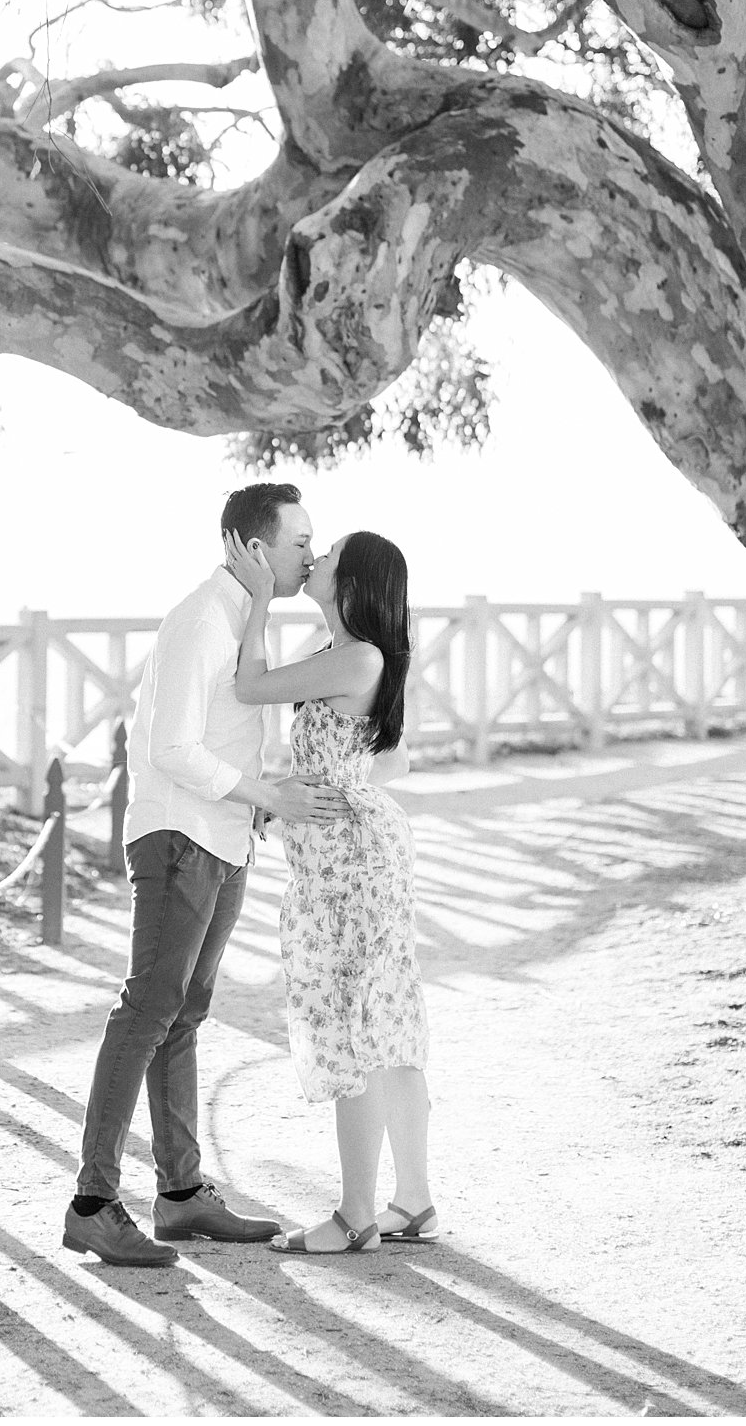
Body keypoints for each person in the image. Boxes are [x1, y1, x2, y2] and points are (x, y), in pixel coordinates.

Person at [64, 483, 351, 1267]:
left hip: (223, 838)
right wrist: (269, 796)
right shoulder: (199, 619)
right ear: (255, 549)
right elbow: (168, 750)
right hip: (178, 836)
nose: (310, 556)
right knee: (148, 1009)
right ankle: (92, 1201)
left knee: (184, 1013)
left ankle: (181, 1196)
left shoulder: (238, 618)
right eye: (299, 543)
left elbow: (234, 729)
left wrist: (254, 807)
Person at [223, 525, 436, 1255]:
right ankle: (412, 1201)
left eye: (330, 553)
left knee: (353, 1025)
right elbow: (395, 761)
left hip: (350, 858)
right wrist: (314, 785)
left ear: (351, 583)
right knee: (385, 1026)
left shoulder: (357, 655)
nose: (315, 558)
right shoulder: (349, 656)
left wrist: (256, 599)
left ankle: (353, 1216)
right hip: (357, 848)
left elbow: (247, 685)